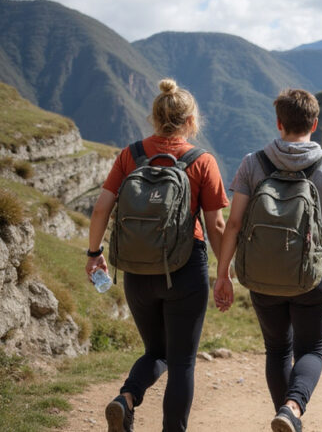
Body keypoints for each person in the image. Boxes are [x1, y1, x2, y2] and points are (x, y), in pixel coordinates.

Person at [85, 79, 228, 432]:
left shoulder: (130, 155)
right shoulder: (202, 161)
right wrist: (225, 272)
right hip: (185, 270)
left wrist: (94, 254)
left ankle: (127, 399)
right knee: (181, 362)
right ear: (191, 121)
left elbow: (102, 208)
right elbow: (217, 227)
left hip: (137, 269)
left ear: (154, 116)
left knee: (156, 352)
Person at [214, 88, 322, 432]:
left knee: (277, 350)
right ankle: (293, 408)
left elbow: (233, 223)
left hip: (263, 273)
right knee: (313, 350)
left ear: (279, 123)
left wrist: (223, 274)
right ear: (316, 123)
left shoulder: (253, 162)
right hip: (316, 273)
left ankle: (287, 414)